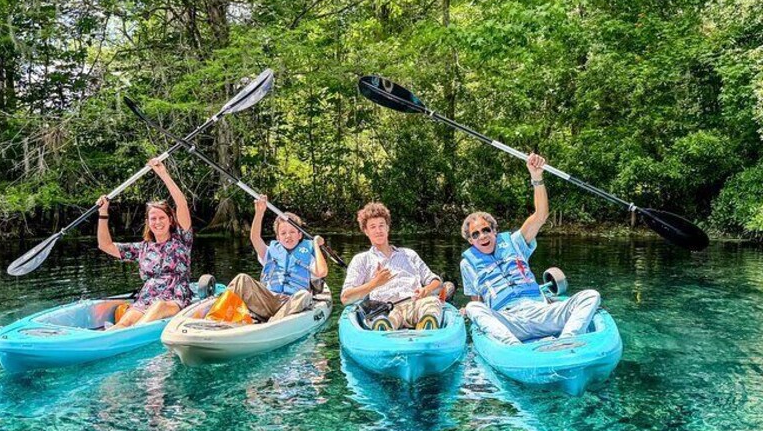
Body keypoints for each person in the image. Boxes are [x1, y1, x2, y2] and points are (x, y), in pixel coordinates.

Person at [461, 152, 601, 344]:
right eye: (475, 234)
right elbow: (476, 301)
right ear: (470, 240)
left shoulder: (516, 242)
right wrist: (470, 310)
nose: (482, 236)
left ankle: (567, 341)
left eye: (486, 230)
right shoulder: (466, 264)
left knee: (590, 296)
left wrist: (537, 177)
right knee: (472, 308)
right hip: (508, 322)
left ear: (495, 231)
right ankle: (513, 349)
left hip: (540, 312)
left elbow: (541, 215)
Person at [96, 157, 193, 328]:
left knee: (159, 307)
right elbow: (105, 245)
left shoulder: (182, 240)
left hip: (174, 299)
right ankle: (108, 338)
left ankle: (132, 333)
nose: (158, 222)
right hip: (146, 299)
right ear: (148, 222)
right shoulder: (142, 248)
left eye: (162, 217)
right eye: (153, 218)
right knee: (125, 321)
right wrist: (103, 213)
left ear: (171, 220)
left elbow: (181, 203)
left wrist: (163, 173)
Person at [219, 195, 329, 322]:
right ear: (278, 237)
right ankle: (217, 318)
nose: (288, 236)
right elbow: (255, 238)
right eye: (283, 233)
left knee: (304, 295)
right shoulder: (269, 252)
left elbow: (322, 272)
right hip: (268, 299)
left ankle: (273, 323)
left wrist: (315, 245)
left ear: (300, 235)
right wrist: (259, 213)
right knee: (241, 279)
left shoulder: (307, 255)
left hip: (292, 303)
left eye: (292, 232)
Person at [341, 202, 443, 330]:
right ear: (366, 231)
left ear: (387, 228)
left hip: (414, 304)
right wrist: (374, 283)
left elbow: (436, 282)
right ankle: (385, 329)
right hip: (386, 308)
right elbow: (345, 298)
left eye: (381, 225)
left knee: (432, 303)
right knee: (382, 318)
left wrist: (426, 289)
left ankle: (427, 326)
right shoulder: (361, 260)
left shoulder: (409, 254)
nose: (378, 231)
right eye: (373, 227)